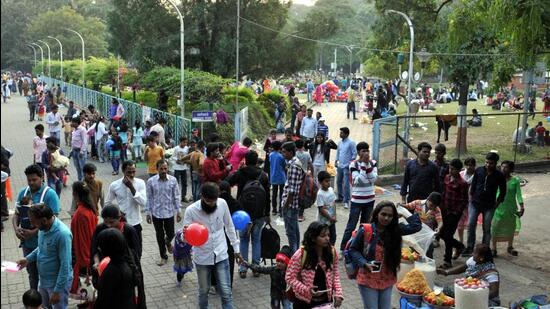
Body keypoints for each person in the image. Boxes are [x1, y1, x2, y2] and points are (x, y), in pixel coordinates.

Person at [183, 182, 244, 309]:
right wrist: (185, 235)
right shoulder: (191, 211)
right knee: (203, 292)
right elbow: (187, 239)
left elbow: (229, 226)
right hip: (202, 258)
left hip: (221, 255)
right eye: (208, 201)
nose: (211, 204)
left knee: (226, 292)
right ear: (201, 196)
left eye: (214, 201)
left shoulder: (222, 204)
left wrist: (236, 249)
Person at [13, 165, 61, 290]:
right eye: (29, 180)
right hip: (27, 244)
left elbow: (54, 218)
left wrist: (33, 232)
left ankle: (47, 300)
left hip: (45, 245)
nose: (31, 183)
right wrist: (16, 229)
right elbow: (16, 214)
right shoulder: (23, 193)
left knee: (46, 274)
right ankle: (34, 300)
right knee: (32, 274)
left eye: (34, 180)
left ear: (42, 178)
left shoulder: (50, 194)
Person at [17, 204, 72, 309]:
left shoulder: (62, 234)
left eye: (33, 221)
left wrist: (57, 291)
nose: (31, 224)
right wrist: (27, 259)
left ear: (44, 220)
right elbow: (41, 248)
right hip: (43, 281)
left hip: (57, 285)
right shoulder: (43, 229)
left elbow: (65, 266)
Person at [349, 201, 402, 309]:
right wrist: (364, 263)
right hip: (368, 278)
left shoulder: (394, 232)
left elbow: (416, 226)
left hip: (387, 278)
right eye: (383, 214)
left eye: (390, 216)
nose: (386, 218)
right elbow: (353, 250)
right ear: (377, 214)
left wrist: (404, 211)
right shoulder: (366, 230)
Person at [226, 150, 270, 278]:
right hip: (259, 213)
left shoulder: (241, 172)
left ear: (245, 160)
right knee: (256, 240)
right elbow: (267, 196)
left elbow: (227, 182)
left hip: (242, 213)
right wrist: (267, 213)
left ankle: (243, 267)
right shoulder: (263, 175)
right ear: (257, 161)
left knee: (244, 239)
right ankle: (256, 268)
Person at [285, 221, 344, 308]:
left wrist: (338, 293)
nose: (327, 238)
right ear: (313, 238)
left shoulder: (332, 252)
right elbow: (290, 277)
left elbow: (335, 274)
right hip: (303, 303)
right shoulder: (300, 254)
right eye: (323, 236)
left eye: (328, 235)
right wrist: (307, 290)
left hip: (325, 302)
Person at [463, 152, 507, 256]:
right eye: (486, 162)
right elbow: (473, 186)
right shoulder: (479, 171)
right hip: (475, 203)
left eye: (491, 163)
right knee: (471, 225)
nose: (488, 165)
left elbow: (503, 191)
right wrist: (470, 198)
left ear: (496, 163)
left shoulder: (499, 175)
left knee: (486, 228)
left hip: (489, 206)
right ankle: (470, 247)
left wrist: (497, 203)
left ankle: (484, 250)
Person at [340, 142, 378, 256]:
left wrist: (367, 166)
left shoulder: (373, 163)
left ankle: (360, 248)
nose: (366, 153)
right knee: (351, 225)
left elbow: (374, 179)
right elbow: (358, 181)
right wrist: (363, 166)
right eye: (363, 151)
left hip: (370, 200)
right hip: (357, 201)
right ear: (358, 153)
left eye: (367, 151)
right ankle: (343, 248)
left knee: (365, 226)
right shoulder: (353, 164)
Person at [105, 160, 147, 257]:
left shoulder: (140, 183)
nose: (132, 175)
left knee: (137, 253)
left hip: (136, 224)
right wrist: (116, 212)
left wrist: (131, 188)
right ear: (123, 171)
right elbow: (107, 203)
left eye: (133, 172)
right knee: (121, 253)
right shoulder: (114, 185)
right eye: (129, 172)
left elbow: (143, 203)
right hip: (121, 225)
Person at [145, 159, 181, 266]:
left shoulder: (173, 180)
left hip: (169, 212)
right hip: (156, 214)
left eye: (165, 168)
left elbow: (177, 196)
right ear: (157, 169)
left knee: (171, 233)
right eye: (161, 169)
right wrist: (148, 212)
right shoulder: (151, 181)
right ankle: (163, 256)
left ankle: (168, 242)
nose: (164, 171)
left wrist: (178, 211)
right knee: (159, 236)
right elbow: (149, 198)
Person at [93, 228, 141, 309]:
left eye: (101, 245)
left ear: (108, 248)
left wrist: (95, 275)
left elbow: (103, 299)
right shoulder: (127, 262)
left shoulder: (111, 271)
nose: (99, 248)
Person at [69, 182, 98, 296]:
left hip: (84, 254)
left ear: (74, 193)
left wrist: (84, 260)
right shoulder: (90, 209)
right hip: (90, 252)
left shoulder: (80, 213)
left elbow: (82, 239)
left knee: (87, 286)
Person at [439, 159, 469, 269]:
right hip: (445, 210)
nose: (451, 171)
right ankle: (459, 246)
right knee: (442, 234)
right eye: (450, 168)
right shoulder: (447, 177)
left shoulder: (462, 183)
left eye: (454, 169)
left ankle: (447, 260)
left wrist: (457, 212)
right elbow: (444, 192)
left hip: (454, 213)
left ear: (459, 170)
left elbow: (464, 200)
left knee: (447, 236)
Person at [491, 161, 524, 257]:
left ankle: (510, 246)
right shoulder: (497, 179)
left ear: (511, 170)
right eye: (502, 167)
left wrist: (522, 206)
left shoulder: (515, 181)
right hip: (497, 207)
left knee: (511, 227)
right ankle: (494, 248)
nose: (503, 169)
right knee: (495, 227)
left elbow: (519, 195)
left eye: (506, 167)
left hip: (511, 208)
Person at [281, 142, 305, 254]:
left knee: (291, 233)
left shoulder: (294, 167)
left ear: (291, 152)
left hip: (291, 205)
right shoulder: (293, 163)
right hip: (292, 205)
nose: (283, 154)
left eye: (284, 152)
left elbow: (292, 191)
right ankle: (297, 255)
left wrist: (285, 206)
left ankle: (294, 257)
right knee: (294, 230)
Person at [336, 127, 357, 209]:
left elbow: (354, 154)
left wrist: (349, 164)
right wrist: (336, 160)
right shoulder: (339, 143)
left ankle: (346, 201)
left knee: (346, 184)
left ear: (346, 134)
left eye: (342, 133)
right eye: (340, 132)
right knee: (338, 182)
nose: (340, 134)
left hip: (346, 167)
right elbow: (338, 152)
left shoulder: (351, 143)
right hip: (340, 166)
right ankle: (340, 197)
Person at [457, 157, 476, 245]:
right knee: (460, 224)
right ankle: (461, 241)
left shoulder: (477, 176)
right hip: (461, 202)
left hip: (472, 203)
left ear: (474, 166)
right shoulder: (460, 174)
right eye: (467, 165)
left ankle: (470, 243)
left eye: (471, 165)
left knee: (471, 224)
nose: (469, 167)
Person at [316, 171, 337, 246]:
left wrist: (334, 215)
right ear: (320, 182)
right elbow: (321, 210)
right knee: (325, 237)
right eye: (326, 181)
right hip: (324, 222)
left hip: (331, 220)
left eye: (329, 181)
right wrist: (330, 218)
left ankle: (331, 251)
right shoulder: (320, 194)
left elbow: (334, 203)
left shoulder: (331, 190)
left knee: (333, 236)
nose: (328, 183)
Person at [296, 139, 313, 222]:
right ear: (303, 145)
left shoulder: (294, 154)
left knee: (295, 194)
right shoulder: (307, 154)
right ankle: (300, 215)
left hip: (296, 176)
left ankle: (295, 212)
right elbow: (310, 164)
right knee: (302, 195)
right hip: (305, 176)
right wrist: (312, 175)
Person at [270, 141, 286, 216]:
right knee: (282, 194)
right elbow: (284, 165)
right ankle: (281, 210)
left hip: (273, 176)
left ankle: (274, 210)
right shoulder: (281, 156)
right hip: (281, 177)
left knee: (274, 193)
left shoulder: (271, 155)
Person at [172, 137, 190, 202]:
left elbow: (188, 156)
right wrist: (177, 160)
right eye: (184, 142)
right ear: (181, 142)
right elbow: (173, 156)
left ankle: (183, 196)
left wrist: (186, 161)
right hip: (177, 168)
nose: (185, 144)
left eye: (186, 142)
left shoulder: (187, 149)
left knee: (184, 183)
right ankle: (175, 197)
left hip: (184, 167)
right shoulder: (176, 148)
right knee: (176, 183)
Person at [70, 116, 88, 181]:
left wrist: (82, 151)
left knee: (82, 167)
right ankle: (80, 180)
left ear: (77, 123)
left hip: (80, 152)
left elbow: (84, 141)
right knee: (77, 167)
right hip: (75, 151)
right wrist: (71, 150)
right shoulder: (74, 130)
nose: (71, 123)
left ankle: (84, 181)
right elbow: (73, 141)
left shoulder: (82, 130)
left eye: (73, 122)